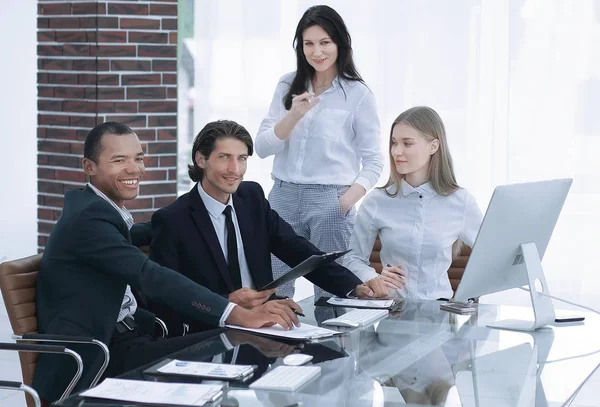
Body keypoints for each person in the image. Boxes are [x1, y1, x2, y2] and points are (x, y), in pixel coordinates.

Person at [32, 122, 307, 404]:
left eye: (138, 158)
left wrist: (175, 221)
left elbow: (133, 234)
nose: (134, 169)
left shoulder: (97, 210)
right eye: (119, 160)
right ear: (89, 167)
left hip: (135, 338)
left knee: (238, 345)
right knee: (237, 345)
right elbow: (149, 274)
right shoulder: (89, 220)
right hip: (99, 357)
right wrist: (237, 312)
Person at [148, 120, 386, 336]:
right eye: (224, 157)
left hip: (269, 326)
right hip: (213, 331)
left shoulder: (251, 198)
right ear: (201, 160)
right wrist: (227, 304)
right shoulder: (172, 221)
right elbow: (164, 297)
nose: (235, 169)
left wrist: (354, 286)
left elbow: (297, 250)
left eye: (242, 158)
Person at [255, 5, 383, 299]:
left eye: (325, 42)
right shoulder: (287, 84)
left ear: (340, 43)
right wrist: (293, 116)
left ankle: (335, 347)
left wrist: (344, 202)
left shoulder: (358, 94)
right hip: (282, 198)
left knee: (334, 294)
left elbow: (374, 161)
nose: (317, 52)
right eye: (308, 44)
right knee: (274, 293)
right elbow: (261, 147)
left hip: (331, 200)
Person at [343, 106, 483, 300]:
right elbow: (352, 259)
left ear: (433, 146)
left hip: (439, 314)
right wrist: (372, 277)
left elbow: (491, 256)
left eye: (407, 143)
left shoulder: (460, 201)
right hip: (391, 311)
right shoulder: (377, 201)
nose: (396, 151)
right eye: (394, 143)